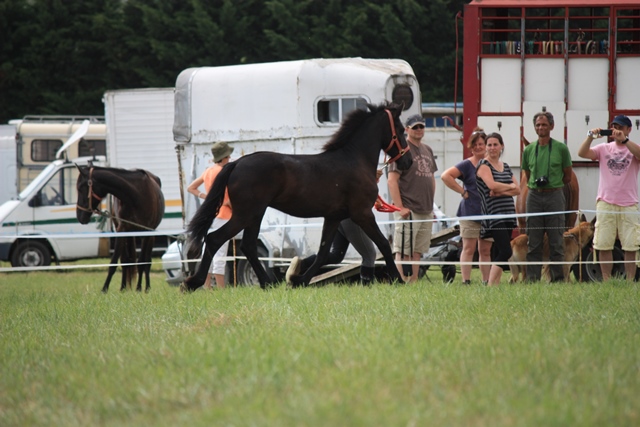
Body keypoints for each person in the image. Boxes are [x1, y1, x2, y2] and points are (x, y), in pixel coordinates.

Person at [285, 170, 384, 285]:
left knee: (336, 255)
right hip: (350, 215)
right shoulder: (355, 165)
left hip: (339, 216)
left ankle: (302, 265)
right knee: (369, 254)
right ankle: (367, 291)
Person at [577, 115, 640, 281]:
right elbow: (582, 153)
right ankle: (606, 280)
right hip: (606, 202)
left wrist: (625, 141)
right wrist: (590, 136)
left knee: (630, 245)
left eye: (620, 127)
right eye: (613, 127)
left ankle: (630, 281)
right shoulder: (604, 148)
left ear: (628, 130)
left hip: (629, 203)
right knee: (604, 244)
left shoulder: (633, 148)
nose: (616, 130)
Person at [521, 111, 573, 282]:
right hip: (534, 196)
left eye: (544, 124)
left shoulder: (561, 148)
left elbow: (567, 176)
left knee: (556, 240)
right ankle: (532, 280)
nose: (541, 127)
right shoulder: (528, 150)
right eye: (537, 125)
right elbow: (528, 176)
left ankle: (558, 279)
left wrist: (553, 184)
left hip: (555, 195)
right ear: (534, 127)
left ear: (552, 126)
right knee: (533, 241)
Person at [388, 114, 437, 282]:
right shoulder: (401, 149)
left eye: (421, 126)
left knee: (417, 251)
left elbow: (431, 177)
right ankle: (401, 282)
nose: (419, 130)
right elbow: (392, 180)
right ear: (407, 129)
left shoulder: (428, 149)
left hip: (426, 209)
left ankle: (413, 282)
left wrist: (431, 205)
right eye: (415, 127)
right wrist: (400, 207)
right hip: (408, 209)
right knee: (403, 249)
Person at [441, 128, 492, 285]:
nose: (478, 147)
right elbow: (445, 176)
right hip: (469, 211)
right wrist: (462, 192)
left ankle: (486, 281)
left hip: (489, 212)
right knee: (468, 248)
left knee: (485, 250)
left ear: (486, 146)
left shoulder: (492, 164)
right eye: (475, 144)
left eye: (481, 144)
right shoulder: (466, 164)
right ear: (471, 146)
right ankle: (466, 280)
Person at [187, 141, 234, 289]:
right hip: (223, 216)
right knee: (220, 253)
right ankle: (221, 289)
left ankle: (207, 287)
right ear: (225, 157)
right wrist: (228, 202)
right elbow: (228, 199)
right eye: (228, 155)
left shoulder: (208, 171)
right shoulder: (224, 172)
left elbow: (191, 187)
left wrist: (205, 197)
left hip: (210, 215)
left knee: (207, 252)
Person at [476, 132, 520, 286]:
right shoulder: (483, 165)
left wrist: (501, 191)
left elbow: (518, 190)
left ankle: (495, 285)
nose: (492, 148)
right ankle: (490, 285)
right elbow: (491, 185)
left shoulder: (505, 166)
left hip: (508, 213)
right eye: (489, 145)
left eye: (495, 144)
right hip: (494, 214)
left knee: (499, 251)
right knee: (506, 251)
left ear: (501, 146)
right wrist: (509, 186)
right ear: (486, 147)